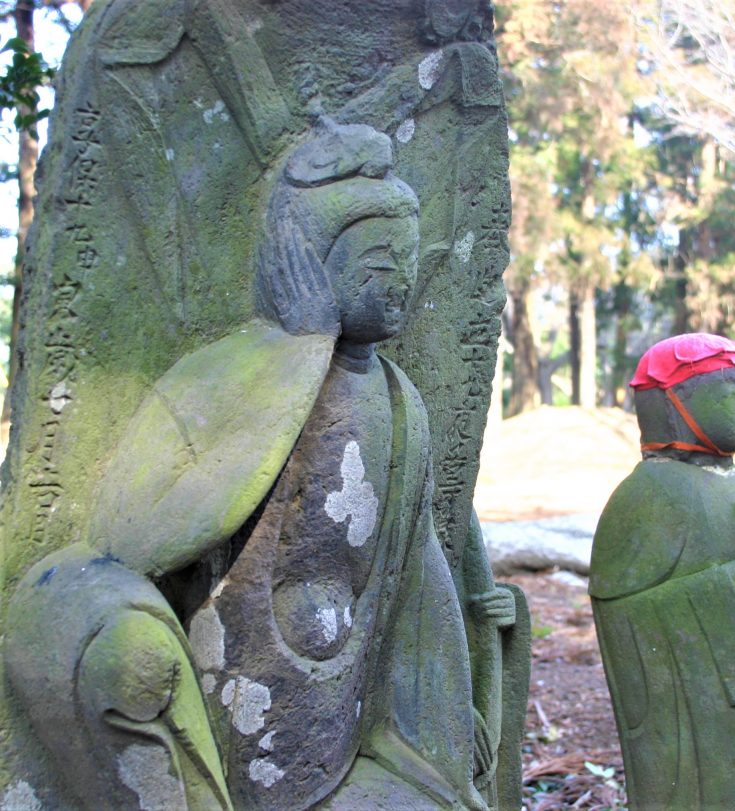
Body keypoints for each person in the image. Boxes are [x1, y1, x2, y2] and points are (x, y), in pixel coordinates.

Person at [5, 124, 492, 810]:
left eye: (410, 264)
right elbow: (130, 538)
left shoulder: (398, 398)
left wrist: (447, 707)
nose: (400, 285)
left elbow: (418, 577)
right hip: (241, 698)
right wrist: (298, 357)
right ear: (312, 261)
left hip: (353, 714)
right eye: (380, 263)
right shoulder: (227, 377)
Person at [590, 333, 735, 810]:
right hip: (700, 704)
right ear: (673, 405)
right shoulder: (651, 491)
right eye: (726, 394)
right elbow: (624, 612)